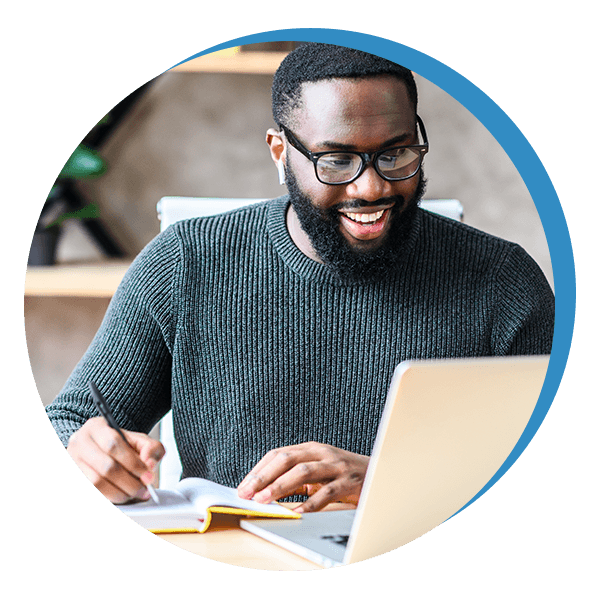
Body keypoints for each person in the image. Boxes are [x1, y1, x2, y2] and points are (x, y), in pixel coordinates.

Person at [45, 43, 554, 512]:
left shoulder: (504, 284)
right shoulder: (185, 262)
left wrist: (385, 481)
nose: (372, 186)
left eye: (395, 154)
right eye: (336, 160)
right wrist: (85, 453)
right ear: (279, 151)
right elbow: (66, 424)